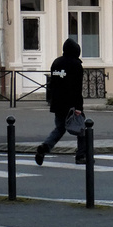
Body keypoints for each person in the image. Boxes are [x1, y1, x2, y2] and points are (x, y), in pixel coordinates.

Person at [35, 37, 87, 165]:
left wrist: (53, 101)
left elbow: (52, 84)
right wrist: (79, 107)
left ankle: (45, 147)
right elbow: (77, 88)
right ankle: (81, 155)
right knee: (82, 130)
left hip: (57, 103)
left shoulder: (56, 63)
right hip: (71, 104)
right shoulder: (76, 65)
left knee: (60, 128)